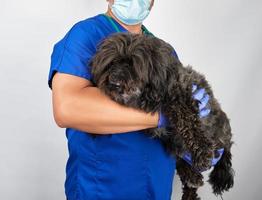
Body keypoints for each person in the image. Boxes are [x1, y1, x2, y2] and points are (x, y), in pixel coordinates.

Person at [47, 0, 211, 199]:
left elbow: (181, 111)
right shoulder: (86, 35)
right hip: (102, 189)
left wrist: (196, 139)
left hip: (156, 190)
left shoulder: (164, 51)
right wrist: (163, 114)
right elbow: (68, 108)